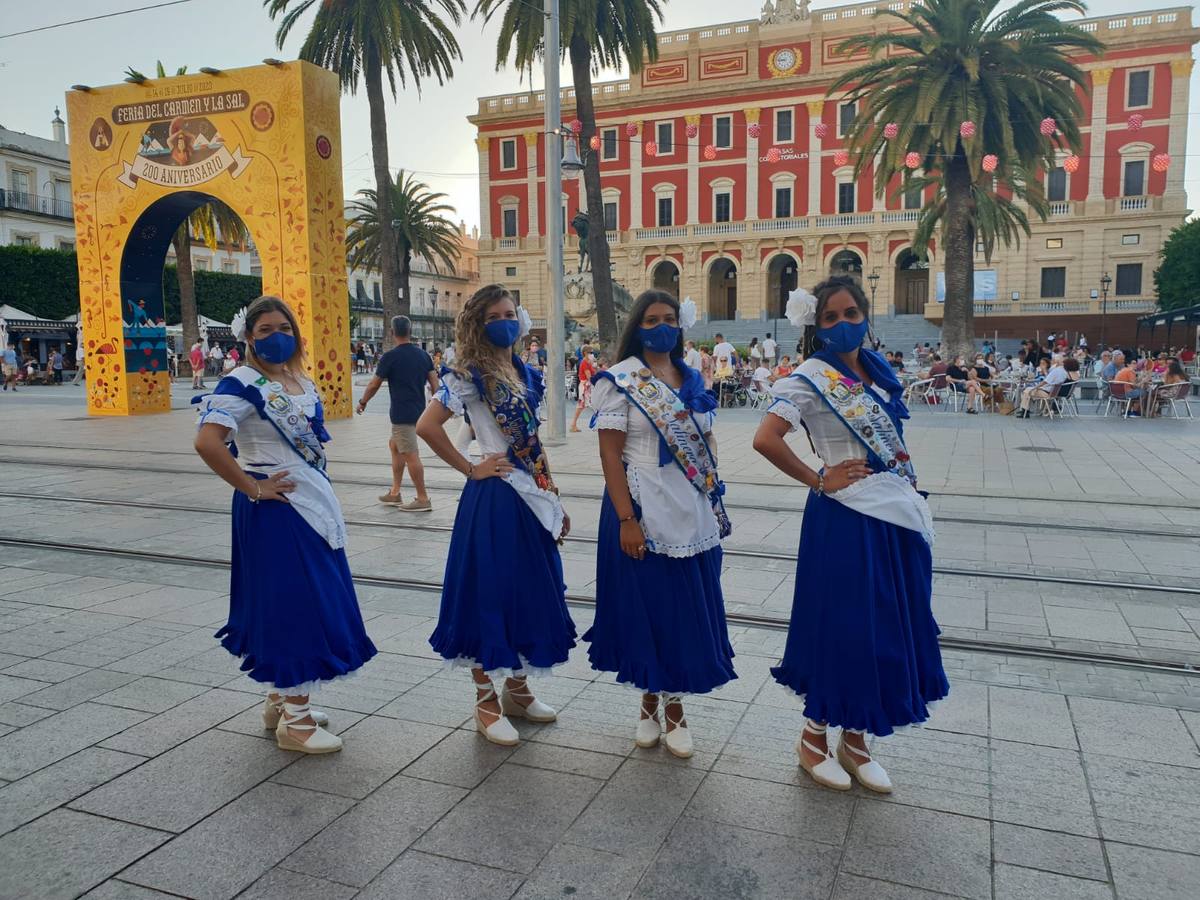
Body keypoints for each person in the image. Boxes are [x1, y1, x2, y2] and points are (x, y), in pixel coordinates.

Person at [753, 277, 945, 793]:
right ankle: (813, 738)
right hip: (845, 518)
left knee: (885, 625)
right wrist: (819, 477)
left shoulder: (878, 371)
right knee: (845, 625)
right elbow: (765, 439)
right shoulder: (808, 378)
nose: (843, 324)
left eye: (851, 313)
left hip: (893, 516)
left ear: (866, 314)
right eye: (832, 317)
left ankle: (856, 741)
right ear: (816, 325)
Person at [193, 296, 376, 754]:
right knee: (297, 604)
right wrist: (253, 488)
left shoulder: (297, 379)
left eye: (285, 327)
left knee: (294, 600)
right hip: (276, 508)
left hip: (306, 503)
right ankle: (295, 721)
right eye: (266, 330)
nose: (278, 336)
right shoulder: (240, 383)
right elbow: (207, 442)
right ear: (248, 338)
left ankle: (282, 700)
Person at [416, 284, 575, 746]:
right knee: (491, 592)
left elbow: (535, 447)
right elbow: (427, 426)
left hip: (531, 497)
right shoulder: (467, 374)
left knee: (527, 591)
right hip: (495, 499)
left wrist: (554, 498)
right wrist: (471, 467)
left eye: (510, 313)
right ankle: (485, 701)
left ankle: (517, 690)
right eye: (494, 316)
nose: (505, 321)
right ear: (478, 324)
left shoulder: (524, 371)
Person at [586, 291, 735, 759]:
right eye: (651, 319)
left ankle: (672, 706)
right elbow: (609, 455)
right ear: (638, 326)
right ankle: (651, 701)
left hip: (689, 508)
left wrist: (711, 495)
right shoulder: (619, 381)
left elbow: (706, 441)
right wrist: (626, 518)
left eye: (670, 319)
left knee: (683, 610)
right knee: (648, 607)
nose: (662, 326)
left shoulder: (692, 377)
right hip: (641, 504)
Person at [357, 315, 438, 511]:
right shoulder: (423, 355)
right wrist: (436, 408)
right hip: (420, 411)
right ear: (410, 332)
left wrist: (363, 402)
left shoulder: (390, 357)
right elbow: (435, 384)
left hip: (402, 414)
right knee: (395, 446)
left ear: (392, 333)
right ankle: (395, 492)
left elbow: (374, 383)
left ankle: (422, 498)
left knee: (411, 455)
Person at [570, 346, 597, 432]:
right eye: (590, 352)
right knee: (583, 405)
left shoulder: (588, 362)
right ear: (585, 353)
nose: (592, 354)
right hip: (585, 385)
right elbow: (589, 376)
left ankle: (573, 424)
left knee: (584, 405)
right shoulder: (584, 363)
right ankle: (573, 424)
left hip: (586, 385)